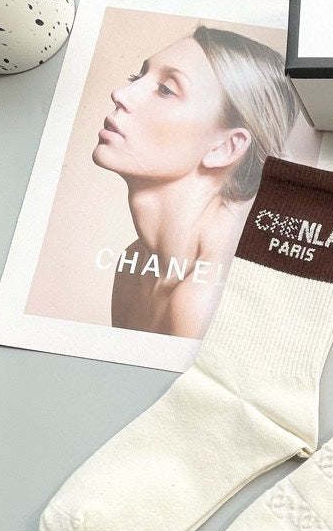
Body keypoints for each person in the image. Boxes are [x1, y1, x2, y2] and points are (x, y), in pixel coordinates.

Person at [93, 24, 299, 339]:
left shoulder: (203, 302)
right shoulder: (132, 266)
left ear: (225, 147)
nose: (120, 94)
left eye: (166, 89)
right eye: (138, 77)